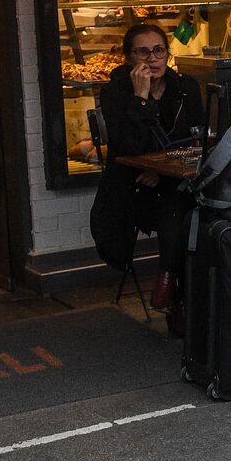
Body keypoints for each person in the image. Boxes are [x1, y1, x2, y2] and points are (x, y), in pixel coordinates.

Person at [91, 23, 204, 336]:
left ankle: (172, 282)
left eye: (159, 51)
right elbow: (126, 147)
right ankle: (176, 296)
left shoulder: (185, 89)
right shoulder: (114, 93)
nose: (152, 59)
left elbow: (196, 143)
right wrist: (141, 98)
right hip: (134, 188)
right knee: (178, 207)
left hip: (175, 182)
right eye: (143, 51)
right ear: (129, 58)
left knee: (185, 204)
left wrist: (161, 169)